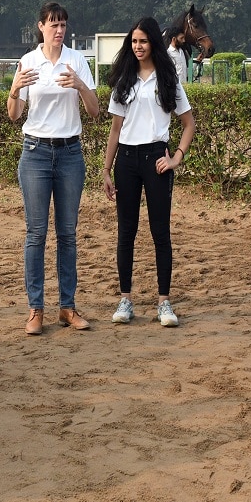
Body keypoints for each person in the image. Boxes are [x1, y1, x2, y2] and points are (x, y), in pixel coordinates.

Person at [8, 1, 100, 335]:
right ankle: (36, 309)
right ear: (41, 27)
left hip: (70, 153)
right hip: (35, 152)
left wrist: (80, 86)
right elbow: (15, 114)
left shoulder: (77, 61)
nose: (59, 30)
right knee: (36, 233)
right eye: (53, 24)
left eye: (63, 24)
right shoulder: (28, 62)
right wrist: (15, 89)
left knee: (68, 233)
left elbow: (94, 111)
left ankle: (67, 307)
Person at [103, 17, 195, 328]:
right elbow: (115, 131)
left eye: (143, 41)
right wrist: (106, 170)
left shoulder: (168, 80)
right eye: (134, 42)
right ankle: (125, 299)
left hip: (157, 159)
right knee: (126, 232)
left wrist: (176, 158)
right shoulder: (123, 81)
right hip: (126, 160)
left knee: (160, 232)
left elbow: (188, 124)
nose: (138, 47)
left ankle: (164, 302)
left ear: (154, 42)